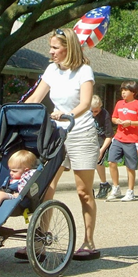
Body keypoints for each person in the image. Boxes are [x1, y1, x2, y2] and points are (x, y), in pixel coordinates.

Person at [17, 28, 100, 260]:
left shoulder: (84, 70)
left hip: (80, 133)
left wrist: (68, 115)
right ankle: (40, 242)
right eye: (51, 47)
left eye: (55, 48)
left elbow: (85, 103)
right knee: (45, 187)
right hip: (55, 135)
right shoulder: (52, 70)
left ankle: (88, 242)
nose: (51, 52)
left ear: (68, 48)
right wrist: (18, 113)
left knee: (84, 192)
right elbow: (35, 98)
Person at [106, 81, 138, 202]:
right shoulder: (119, 104)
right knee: (111, 162)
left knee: (130, 167)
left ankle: (130, 192)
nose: (123, 93)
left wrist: (131, 123)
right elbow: (114, 118)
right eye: (122, 90)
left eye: (126, 90)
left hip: (132, 140)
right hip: (118, 138)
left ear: (133, 92)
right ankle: (116, 187)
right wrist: (117, 121)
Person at [91, 95, 114, 199]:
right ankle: (89, 187)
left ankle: (104, 184)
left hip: (103, 141)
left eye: (96, 111)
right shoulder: (86, 114)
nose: (94, 114)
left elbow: (109, 136)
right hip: (90, 141)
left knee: (98, 162)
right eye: (91, 111)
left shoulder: (104, 115)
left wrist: (101, 150)